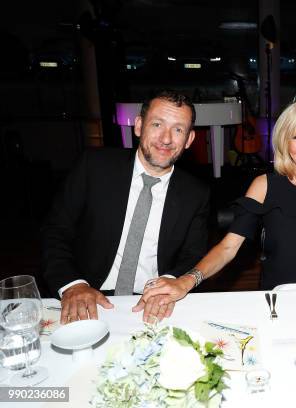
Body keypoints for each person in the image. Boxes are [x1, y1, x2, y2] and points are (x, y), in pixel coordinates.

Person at [138, 99, 296, 304]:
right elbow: (228, 248)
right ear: (285, 141)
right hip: (277, 300)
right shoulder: (265, 185)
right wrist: (186, 280)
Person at [42, 90, 209, 324]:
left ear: (189, 139)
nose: (166, 139)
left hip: (152, 302)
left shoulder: (196, 193)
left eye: (178, 129)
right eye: (157, 124)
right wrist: (73, 284)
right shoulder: (94, 167)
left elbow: (193, 253)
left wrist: (170, 282)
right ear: (139, 126)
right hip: (88, 294)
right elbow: (56, 231)